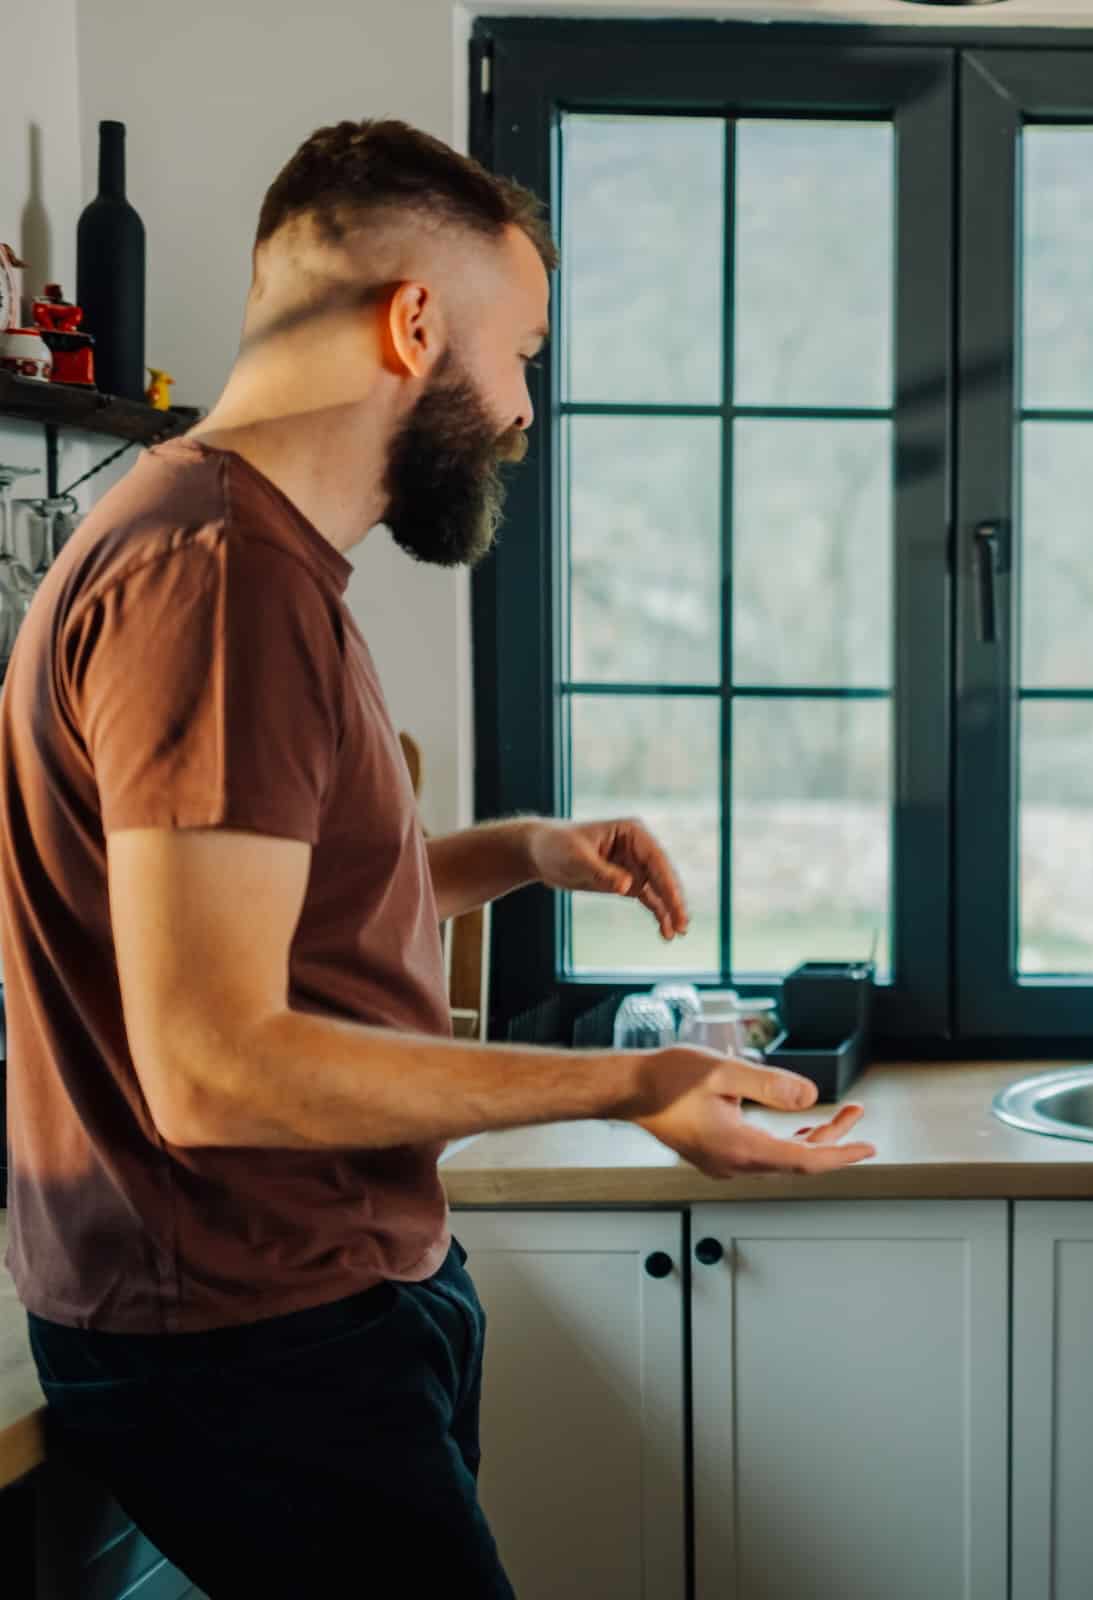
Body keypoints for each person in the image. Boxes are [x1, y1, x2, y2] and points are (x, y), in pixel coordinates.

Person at [0, 121, 873, 1599]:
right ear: (413, 324)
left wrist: (515, 854)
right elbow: (212, 1062)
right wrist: (633, 1085)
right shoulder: (223, 579)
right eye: (519, 351)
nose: (526, 409)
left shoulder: (220, 541)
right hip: (250, 1332)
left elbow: (274, 901)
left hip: (284, 1307)